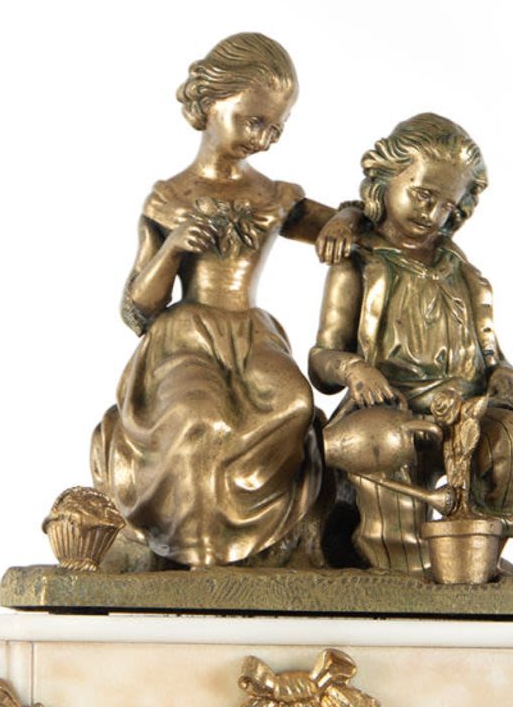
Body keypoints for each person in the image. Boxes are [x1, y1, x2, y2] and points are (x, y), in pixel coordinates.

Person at [91, 33, 356, 568]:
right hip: (184, 337)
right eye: (252, 120)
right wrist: (172, 248)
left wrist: (349, 217)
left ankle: (272, 541)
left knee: (294, 404)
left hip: (251, 332)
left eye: (276, 126)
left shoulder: (275, 196)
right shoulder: (169, 197)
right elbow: (137, 309)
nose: (264, 137)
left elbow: (353, 223)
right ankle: (194, 552)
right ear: (211, 102)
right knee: (197, 419)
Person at [310, 112, 513, 572]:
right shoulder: (360, 262)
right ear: (385, 177)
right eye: (422, 194)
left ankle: (479, 563)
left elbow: (490, 353)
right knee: (390, 443)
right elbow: (322, 358)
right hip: (388, 407)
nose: (432, 214)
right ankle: (402, 570)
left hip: (464, 408)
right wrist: (356, 370)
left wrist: (503, 375)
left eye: (446, 206)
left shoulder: (464, 273)